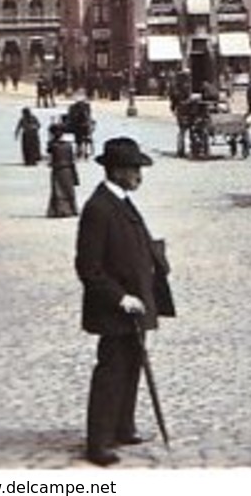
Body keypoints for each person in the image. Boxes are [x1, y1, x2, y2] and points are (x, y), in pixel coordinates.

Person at [76, 137, 175, 467]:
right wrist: (121, 298)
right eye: (134, 169)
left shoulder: (122, 200)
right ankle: (98, 442)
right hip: (116, 309)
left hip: (136, 305)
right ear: (116, 170)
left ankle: (123, 426)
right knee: (111, 372)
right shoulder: (98, 208)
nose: (138, 176)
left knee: (132, 366)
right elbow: (88, 268)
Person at [47, 124, 80, 217]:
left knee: (58, 190)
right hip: (68, 169)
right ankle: (71, 209)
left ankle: (60, 210)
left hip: (58, 170)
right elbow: (72, 160)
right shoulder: (68, 145)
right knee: (68, 190)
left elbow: (49, 151)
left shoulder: (53, 145)